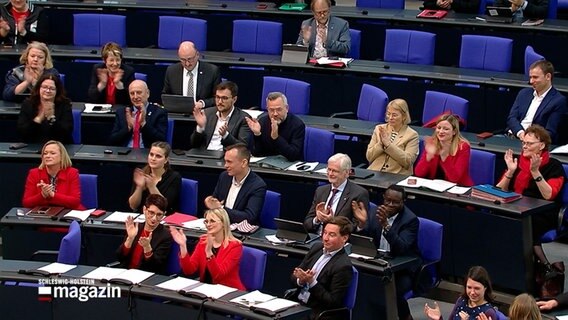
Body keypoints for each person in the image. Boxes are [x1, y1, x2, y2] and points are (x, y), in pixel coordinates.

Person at [496, 125, 565, 275]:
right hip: (516, 206)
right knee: (495, 218)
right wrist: (510, 171)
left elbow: (549, 195)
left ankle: (526, 272)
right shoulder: (517, 162)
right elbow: (498, 190)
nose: (525, 146)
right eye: (524, 143)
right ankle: (537, 266)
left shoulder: (554, 165)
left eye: (529, 143)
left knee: (521, 225)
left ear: (541, 146)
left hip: (542, 212)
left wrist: (535, 172)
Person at [353, 184, 420, 320]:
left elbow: (402, 248)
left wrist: (386, 226)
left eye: (395, 202)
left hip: (401, 269)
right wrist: (361, 224)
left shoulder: (411, 220)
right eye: (387, 200)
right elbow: (367, 240)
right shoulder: (374, 213)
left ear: (403, 202)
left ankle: (405, 316)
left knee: (389, 290)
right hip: (378, 262)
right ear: (383, 198)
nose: (390, 205)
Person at [288, 216, 354, 320]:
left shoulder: (343, 266)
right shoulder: (316, 248)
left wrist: (312, 282)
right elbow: (293, 276)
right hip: (297, 303)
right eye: (325, 233)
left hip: (316, 312)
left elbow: (333, 302)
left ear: (344, 238)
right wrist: (300, 280)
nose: (326, 238)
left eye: (331, 235)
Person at [170, 207, 245, 290]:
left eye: (212, 221)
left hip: (227, 291)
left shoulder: (235, 246)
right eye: (206, 221)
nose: (208, 224)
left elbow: (218, 276)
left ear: (223, 223)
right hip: (206, 289)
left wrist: (209, 252)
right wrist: (183, 246)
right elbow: (189, 270)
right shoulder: (203, 241)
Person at [303, 153, 370, 233]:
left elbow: (355, 229)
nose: (330, 174)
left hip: (339, 242)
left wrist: (333, 221)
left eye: (335, 171)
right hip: (316, 238)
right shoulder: (320, 191)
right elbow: (307, 223)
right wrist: (317, 219)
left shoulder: (358, 194)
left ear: (347, 173)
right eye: (329, 169)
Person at [506, 60, 567, 144]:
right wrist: (520, 133)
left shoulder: (558, 101)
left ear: (548, 77)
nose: (531, 81)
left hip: (533, 144)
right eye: (530, 77)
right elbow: (512, 118)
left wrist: (529, 138)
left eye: (535, 77)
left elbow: (550, 132)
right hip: (512, 136)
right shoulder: (524, 93)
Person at [205, 143, 266, 224]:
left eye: (229, 162)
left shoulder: (257, 185)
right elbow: (215, 201)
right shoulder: (224, 177)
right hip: (221, 225)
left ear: (243, 163)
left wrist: (221, 208)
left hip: (241, 231)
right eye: (225, 161)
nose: (225, 165)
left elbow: (249, 217)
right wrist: (210, 201)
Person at [117, 194, 172, 275]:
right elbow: (120, 257)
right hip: (126, 273)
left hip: (147, 278)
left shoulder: (165, 235)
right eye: (151, 213)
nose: (154, 218)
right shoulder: (136, 228)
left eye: (159, 215)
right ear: (144, 210)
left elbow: (156, 266)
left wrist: (147, 248)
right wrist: (130, 239)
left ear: (164, 215)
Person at [190, 81, 251, 151]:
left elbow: (243, 148)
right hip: (204, 156)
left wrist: (226, 135)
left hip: (225, 158)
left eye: (224, 98)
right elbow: (194, 144)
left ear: (234, 99)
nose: (219, 102)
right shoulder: (207, 113)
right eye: (217, 97)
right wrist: (200, 128)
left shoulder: (243, 118)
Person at [22, 140, 83, 210]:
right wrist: (42, 195)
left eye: (52, 153)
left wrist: (53, 195)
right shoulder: (34, 173)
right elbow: (26, 203)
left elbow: (75, 202)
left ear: (62, 156)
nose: (48, 156)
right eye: (45, 153)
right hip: (43, 216)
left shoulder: (72, 173)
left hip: (67, 214)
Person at [415, 114, 474, 186]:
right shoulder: (432, 143)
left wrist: (445, 157)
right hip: (434, 188)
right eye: (439, 128)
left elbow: (455, 178)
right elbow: (418, 173)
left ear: (454, 132)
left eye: (446, 129)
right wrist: (428, 157)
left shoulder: (463, 147)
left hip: (457, 189)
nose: (441, 131)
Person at [246, 92, 306, 161]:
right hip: (268, 166)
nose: (275, 114)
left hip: (288, 168)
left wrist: (276, 138)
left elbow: (294, 155)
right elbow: (257, 154)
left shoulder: (297, 125)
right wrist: (257, 134)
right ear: (267, 109)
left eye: (279, 109)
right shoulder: (262, 122)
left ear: (286, 108)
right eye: (271, 110)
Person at [162, 41, 221, 110]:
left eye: (190, 59)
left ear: (197, 55)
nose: (187, 64)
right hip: (178, 114)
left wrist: (202, 103)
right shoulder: (172, 71)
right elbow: (166, 96)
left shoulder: (212, 71)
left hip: (203, 114)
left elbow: (218, 98)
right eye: (183, 60)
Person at [366, 99, 419, 175]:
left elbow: (408, 161)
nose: (390, 117)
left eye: (394, 115)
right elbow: (369, 156)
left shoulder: (412, 135)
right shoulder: (379, 129)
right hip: (374, 173)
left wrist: (388, 145)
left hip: (396, 176)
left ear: (404, 116)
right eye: (388, 114)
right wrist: (381, 143)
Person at [109, 80, 168, 148]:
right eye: (132, 93)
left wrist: (143, 124)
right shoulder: (122, 112)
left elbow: (161, 141)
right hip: (125, 154)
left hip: (148, 154)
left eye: (139, 92)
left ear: (147, 93)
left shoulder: (159, 112)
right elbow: (112, 140)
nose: (135, 97)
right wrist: (128, 128)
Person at [424, 266, 497, 320]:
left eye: (477, 288)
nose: (472, 292)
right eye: (469, 287)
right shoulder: (461, 300)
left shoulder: (489, 312)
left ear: (485, 288)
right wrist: (439, 318)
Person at [17, 73, 73, 144]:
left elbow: (66, 133)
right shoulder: (28, 104)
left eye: (52, 88)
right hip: (32, 146)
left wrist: (51, 118)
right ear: (38, 88)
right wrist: (39, 118)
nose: (48, 91)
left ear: (57, 91)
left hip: (58, 146)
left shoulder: (64, 104)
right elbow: (22, 132)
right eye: (44, 87)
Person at [128, 141, 181, 215]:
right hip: (143, 217)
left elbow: (165, 207)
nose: (153, 158)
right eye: (151, 154)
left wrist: (152, 187)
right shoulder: (142, 173)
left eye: (158, 156)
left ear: (166, 160)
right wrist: (139, 188)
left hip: (163, 218)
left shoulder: (174, 177)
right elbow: (133, 206)